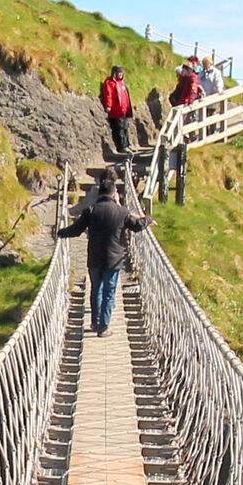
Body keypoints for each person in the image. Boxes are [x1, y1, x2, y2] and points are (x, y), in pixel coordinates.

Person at [58, 172, 149, 336]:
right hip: (113, 260)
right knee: (109, 292)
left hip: (94, 258)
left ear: (99, 193)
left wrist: (61, 232)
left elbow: (76, 230)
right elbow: (137, 226)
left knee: (96, 290)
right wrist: (147, 219)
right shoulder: (122, 211)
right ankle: (103, 327)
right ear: (114, 194)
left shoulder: (91, 210)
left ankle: (94, 323)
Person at [98, 65, 136, 159]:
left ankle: (127, 144)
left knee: (125, 128)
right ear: (114, 73)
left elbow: (126, 96)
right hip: (116, 111)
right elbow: (108, 95)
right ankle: (122, 147)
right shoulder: (110, 83)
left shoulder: (122, 83)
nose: (120, 74)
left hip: (124, 111)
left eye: (121, 72)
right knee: (119, 129)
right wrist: (108, 106)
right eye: (118, 72)